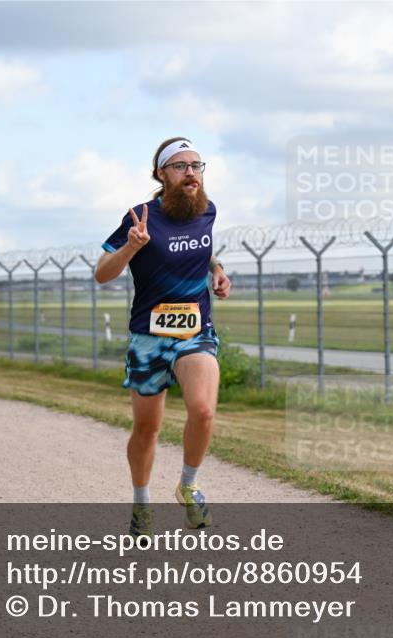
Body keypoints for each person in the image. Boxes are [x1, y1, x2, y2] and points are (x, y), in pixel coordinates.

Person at [94, 137, 231, 535]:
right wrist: (130, 248)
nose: (191, 172)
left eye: (197, 165)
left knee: (203, 409)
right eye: (181, 166)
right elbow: (103, 273)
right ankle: (141, 504)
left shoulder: (206, 211)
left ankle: (188, 487)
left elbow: (203, 250)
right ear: (161, 174)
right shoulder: (140, 216)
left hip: (195, 332)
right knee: (147, 429)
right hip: (148, 339)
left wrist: (217, 272)